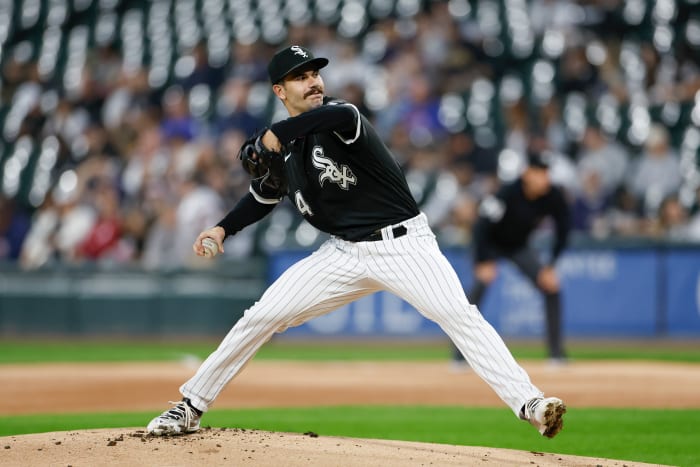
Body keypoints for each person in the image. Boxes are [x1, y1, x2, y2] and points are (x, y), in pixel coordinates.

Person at [146, 45, 566, 439]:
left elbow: (329, 119)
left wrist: (274, 133)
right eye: (299, 78)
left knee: (460, 316)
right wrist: (222, 228)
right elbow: (263, 196)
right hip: (343, 253)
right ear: (279, 90)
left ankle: (530, 403)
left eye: (314, 74)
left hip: (404, 246)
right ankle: (190, 407)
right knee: (260, 316)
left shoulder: (341, 118)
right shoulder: (287, 152)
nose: (313, 82)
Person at [451, 151, 570, 366]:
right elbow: (481, 226)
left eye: (546, 173)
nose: (544, 178)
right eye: (539, 172)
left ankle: (556, 354)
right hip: (492, 245)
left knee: (551, 285)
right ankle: (460, 356)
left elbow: (563, 230)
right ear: (526, 173)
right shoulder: (507, 193)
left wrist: (551, 265)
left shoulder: (553, 196)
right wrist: (482, 261)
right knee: (477, 290)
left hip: (519, 247)